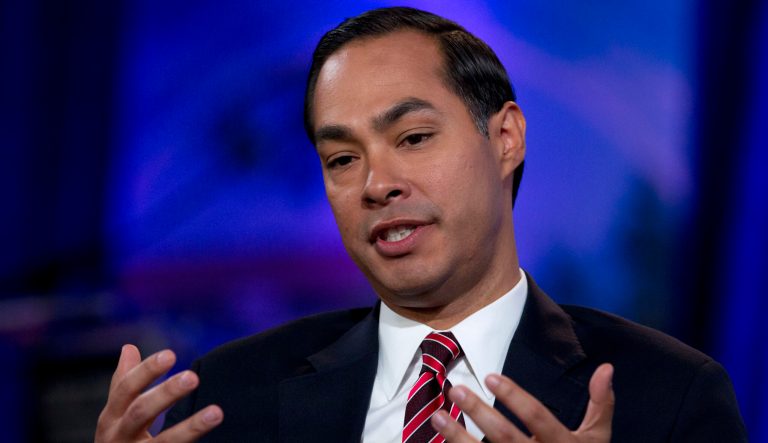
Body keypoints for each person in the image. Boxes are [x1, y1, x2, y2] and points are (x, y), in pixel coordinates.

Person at [95, 7, 747, 443]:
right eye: (343, 158)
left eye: (412, 137)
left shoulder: (669, 398)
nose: (378, 184)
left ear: (506, 139)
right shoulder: (232, 396)